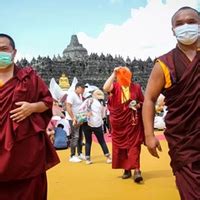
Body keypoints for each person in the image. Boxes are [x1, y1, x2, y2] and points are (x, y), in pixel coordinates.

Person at [142, 7, 200, 199]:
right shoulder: (165, 64)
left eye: (191, 21)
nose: (186, 26)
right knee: (191, 191)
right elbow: (149, 99)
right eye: (180, 23)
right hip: (184, 140)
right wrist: (149, 135)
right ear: (173, 30)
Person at [0, 33, 60, 200]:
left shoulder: (29, 77)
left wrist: (32, 107)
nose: (0, 54)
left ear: (14, 52)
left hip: (26, 152)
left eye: (4, 49)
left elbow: (47, 102)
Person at [103, 66, 144, 183]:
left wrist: (137, 105)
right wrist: (114, 74)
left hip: (132, 123)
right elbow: (105, 87)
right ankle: (127, 169)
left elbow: (143, 102)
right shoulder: (115, 87)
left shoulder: (136, 88)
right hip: (118, 123)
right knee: (121, 148)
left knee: (134, 145)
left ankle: (137, 170)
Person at [80, 89, 112, 165]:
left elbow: (80, 109)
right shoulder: (101, 103)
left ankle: (88, 158)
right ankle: (108, 157)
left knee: (88, 141)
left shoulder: (88, 100)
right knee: (101, 141)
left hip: (86, 123)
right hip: (97, 124)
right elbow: (103, 115)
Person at [66, 82, 86, 162]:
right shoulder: (71, 95)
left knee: (80, 136)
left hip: (79, 118)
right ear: (77, 88)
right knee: (75, 136)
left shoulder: (80, 95)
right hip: (73, 119)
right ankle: (72, 155)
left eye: (84, 88)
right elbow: (68, 106)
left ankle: (80, 153)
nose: (83, 90)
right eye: (82, 88)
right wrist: (73, 118)